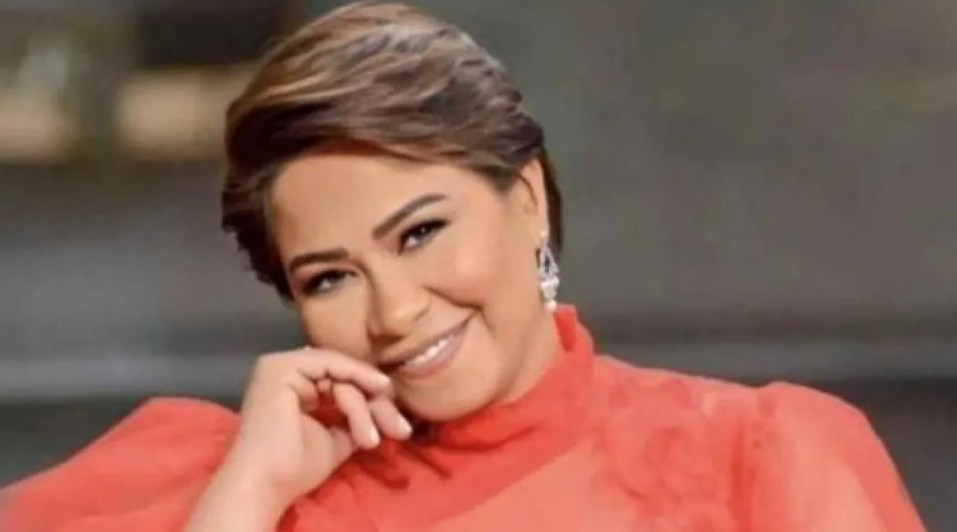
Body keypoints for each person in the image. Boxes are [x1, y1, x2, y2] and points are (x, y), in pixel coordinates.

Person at [0, 3, 927, 532]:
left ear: (526, 199)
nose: (394, 312)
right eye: (329, 277)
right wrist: (246, 499)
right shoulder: (221, 478)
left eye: (418, 233)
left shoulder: (753, 457)